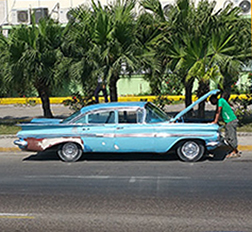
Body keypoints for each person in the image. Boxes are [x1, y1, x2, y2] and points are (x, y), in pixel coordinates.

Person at [210, 93, 240, 158]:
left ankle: (234, 151)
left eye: (212, 101)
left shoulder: (220, 101)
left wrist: (215, 121)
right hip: (229, 121)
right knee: (227, 137)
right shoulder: (221, 101)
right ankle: (234, 150)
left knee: (231, 137)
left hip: (231, 121)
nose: (212, 103)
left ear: (214, 99)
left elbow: (219, 111)